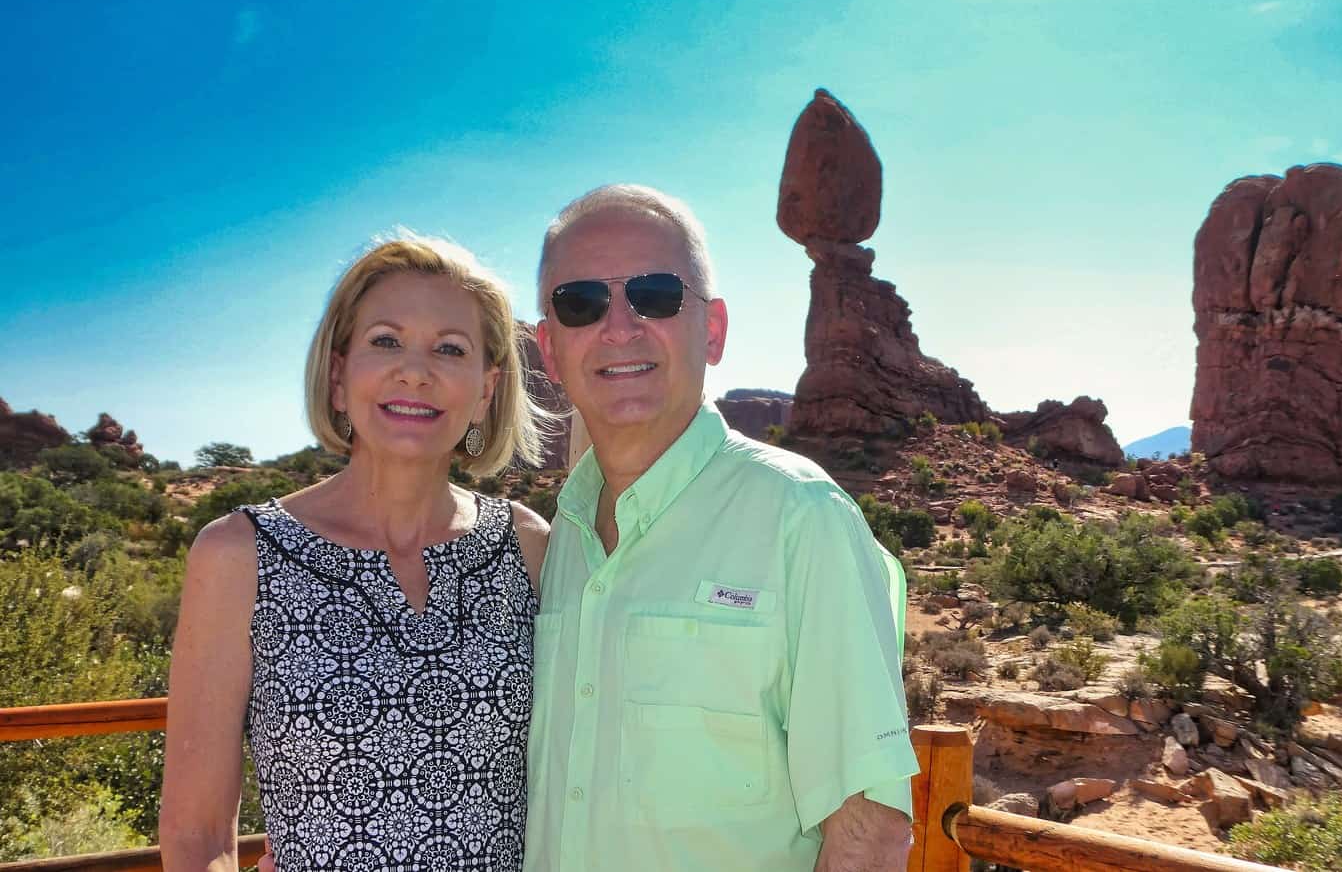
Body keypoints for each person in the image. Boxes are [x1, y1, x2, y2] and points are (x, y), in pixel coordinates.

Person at [525, 184, 919, 871]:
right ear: (550, 350)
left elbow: (869, 829)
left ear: (712, 330)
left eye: (656, 294)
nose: (619, 327)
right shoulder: (562, 542)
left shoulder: (802, 517)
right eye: (580, 303)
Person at [160, 234, 552, 871]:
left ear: (485, 389)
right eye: (386, 341)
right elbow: (196, 834)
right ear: (340, 376)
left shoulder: (528, 547)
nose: (415, 371)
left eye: (450, 349)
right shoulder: (239, 555)